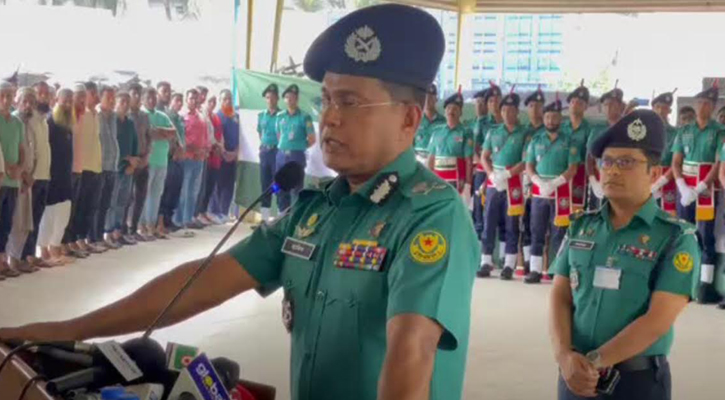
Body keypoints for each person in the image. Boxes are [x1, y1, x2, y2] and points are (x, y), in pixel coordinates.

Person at [0, 5, 479, 400]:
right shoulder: (316, 212)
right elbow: (199, 282)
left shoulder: (431, 217)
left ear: (409, 119)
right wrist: (68, 332)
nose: (328, 118)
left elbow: (411, 358)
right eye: (326, 100)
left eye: (350, 103)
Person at [549, 109, 698, 400]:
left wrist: (592, 364)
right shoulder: (581, 226)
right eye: (607, 162)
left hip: (636, 382)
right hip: (573, 376)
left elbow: (657, 320)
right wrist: (564, 355)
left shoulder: (675, 238)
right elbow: (560, 295)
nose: (613, 170)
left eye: (627, 162)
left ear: (654, 173)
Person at [671, 84, 723, 305]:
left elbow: (718, 164)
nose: (704, 107)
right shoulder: (684, 131)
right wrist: (682, 186)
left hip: (707, 191)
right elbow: (675, 162)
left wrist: (701, 187)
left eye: (709, 104)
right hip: (685, 190)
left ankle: (704, 287)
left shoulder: (720, 132)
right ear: (695, 105)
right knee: (685, 235)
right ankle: (684, 284)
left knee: (705, 237)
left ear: (713, 107)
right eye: (701, 102)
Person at [524, 98, 577, 284]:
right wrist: (537, 181)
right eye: (547, 117)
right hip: (539, 192)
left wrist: (555, 183)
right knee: (536, 230)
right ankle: (535, 270)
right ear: (543, 118)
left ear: (560, 119)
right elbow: (529, 165)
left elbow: (573, 169)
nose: (550, 121)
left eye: (554, 117)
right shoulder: (535, 140)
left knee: (558, 233)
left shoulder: (569, 141)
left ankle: (555, 270)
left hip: (560, 193)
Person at [478, 90, 527, 280]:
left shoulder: (524, 134)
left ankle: (508, 264)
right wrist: (491, 173)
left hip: (513, 182)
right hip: (493, 180)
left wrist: (507, 174)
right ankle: (486, 261)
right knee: (488, 220)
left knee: (511, 223)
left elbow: (526, 161)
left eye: (511, 109)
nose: (507, 113)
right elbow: (484, 156)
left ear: (517, 111)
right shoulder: (493, 132)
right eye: (504, 109)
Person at [37, 88, 75, 266]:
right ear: (57, 100)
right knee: (49, 213)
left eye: (70, 101)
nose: (67, 104)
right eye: (64, 101)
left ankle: (55, 246)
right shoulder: (50, 122)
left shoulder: (67, 124)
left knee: (64, 209)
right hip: (51, 175)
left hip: (66, 175)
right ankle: (44, 249)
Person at [6, 88, 41, 274]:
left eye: (31, 102)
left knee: (24, 222)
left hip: (26, 181)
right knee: (13, 222)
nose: (28, 105)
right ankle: (10, 260)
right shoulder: (12, 121)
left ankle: (16, 259)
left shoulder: (29, 124)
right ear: (17, 101)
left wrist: (30, 175)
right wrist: (21, 174)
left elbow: (33, 155)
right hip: (12, 180)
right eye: (24, 101)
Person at [71, 81, 105, 254]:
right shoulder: (79, 114)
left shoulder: (95, 114)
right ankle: (74, 240)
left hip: (96, 168)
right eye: (92, 93)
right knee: (79, 207)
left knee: (90, 207)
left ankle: (83, 238)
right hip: (82, 168)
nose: (96, 96)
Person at [139, 88, 177, 240]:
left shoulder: (161, 115)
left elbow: (173, 132)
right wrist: (162, 133)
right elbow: (150, 133)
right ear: (143, 99)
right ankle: (140, 226)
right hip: (148, 161)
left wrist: (160, 130)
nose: (151, 100)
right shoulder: (142, 115)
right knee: (143, 195)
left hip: (162, 160)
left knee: (156, 194)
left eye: (154, 98)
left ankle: (151, 225)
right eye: (148, 98)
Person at [105, 92, 139, 247]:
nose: (125, 104)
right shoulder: (112, 121)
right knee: (111, 202)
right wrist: (124, 159)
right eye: (122, 101)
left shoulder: (130, 123)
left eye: (127, 102)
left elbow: (134, 145)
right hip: (115, 167)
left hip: (128, 169)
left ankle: (118, 230)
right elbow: (110, 145)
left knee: (122, 201)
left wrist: (132, 163)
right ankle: (108, 231)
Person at [275, 84, 316, 212]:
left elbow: (312, 139)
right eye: (287, 97)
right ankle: (281, 215)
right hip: (281, 155)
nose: (289, 99)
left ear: (297, 98)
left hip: (297, 155)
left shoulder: (305, 116)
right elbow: (279, 135)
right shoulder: (280, 116)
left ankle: (294, 215)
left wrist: (298, 147)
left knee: (296, 188)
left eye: (292, 97)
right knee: (279, 185)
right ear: (284, 100)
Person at [0, 81, 26, 277]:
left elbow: (21, 149)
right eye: (3, 95)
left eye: (9, 95)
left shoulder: (17, 123)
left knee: (6, 222)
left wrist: (18, 168)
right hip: (1, 178)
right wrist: (6, 168)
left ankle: (3, 259)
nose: (6, 99)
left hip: (13, 181)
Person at [426, 92, 473, 199]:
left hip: (457, 182)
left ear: (460, 112)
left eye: (455, 109)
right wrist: (428, 180)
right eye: (448, 108)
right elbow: (431, 159)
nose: (451, 111)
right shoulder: (436, 132)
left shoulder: (465, 132)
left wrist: (468, 185)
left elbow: (468, 161)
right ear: (444, 112)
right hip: (438, 182)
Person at [61, 84, 90, 259]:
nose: (80, 100)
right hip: (68, 171)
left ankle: (70, 241)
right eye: (77, 97)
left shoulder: (84, 117)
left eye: (82, 97)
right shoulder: (67, 118)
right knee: (66, 210)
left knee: (75, 209)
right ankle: (63, 243)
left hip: (80, 169)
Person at [586, 84, 625, 211]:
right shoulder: (597, 130)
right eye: (606, 105)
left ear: (621, 106)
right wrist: (593, 181)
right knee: (597, 218)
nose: (609, 108)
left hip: (622, 179)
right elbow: (589, 158)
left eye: (613, 105)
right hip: (600, 179)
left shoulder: (630, 129)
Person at [90, 85, 119, 250]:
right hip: (99, 166)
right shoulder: (96, 115)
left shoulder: (113, 116)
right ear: (100, 98)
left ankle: (100, 236)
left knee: (106, 205)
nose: (112, 101)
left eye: (113, 97)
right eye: (108, 97)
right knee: (96, 205)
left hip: (112, 166)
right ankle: (92, 238)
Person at [521, 86, 546, 274]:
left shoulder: (550, 130)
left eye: (539, 106)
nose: (535, 109)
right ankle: (527, 263)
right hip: (523, 182)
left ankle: (543, 267)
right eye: (531, 106)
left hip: (543, 184)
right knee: (524, 222)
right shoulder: (523, 131)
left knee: (541, 225)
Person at [174, 88, 208, 230]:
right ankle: (179, 220)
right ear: (187, 100)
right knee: (184, 189)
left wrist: (205, 151)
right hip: (187, 157)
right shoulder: (182, 116)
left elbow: (205, 137)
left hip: (199, 159)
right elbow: (180, 137)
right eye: (191, 98)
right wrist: (192, 149)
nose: (193, 101)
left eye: (196, 98)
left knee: (194, 190)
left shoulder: (201, 116)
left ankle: (189, 218)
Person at [159, 92, 190, 237]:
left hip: (180, 158)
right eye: (177, 100)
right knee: (168, 189)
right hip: (171, 157)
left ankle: (169, 219)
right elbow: (170, 138)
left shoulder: (179, 118)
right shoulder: (167, 116)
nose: (179, 103)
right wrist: (175, 151)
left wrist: (182, 149)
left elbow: (182, 137)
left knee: (176, 190)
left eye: (180, 101)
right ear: (171, 101)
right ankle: (162, 220)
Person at [562, 81, 593, 214]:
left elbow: (591, 155)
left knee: (576, 212)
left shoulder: (589, 129)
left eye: (580, 103)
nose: (575, 105)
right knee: (559, 208)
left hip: (579, 175)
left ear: (586, 107)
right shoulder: (560, 128)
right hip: (560, 172)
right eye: (573, 101)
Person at [126, 83, 152, 243]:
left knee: (141, 195)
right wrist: (131, 159)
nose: (136, 97)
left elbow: (149, 137)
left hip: (144, 159)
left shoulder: (144, 116)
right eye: (134, 94)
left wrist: (147, 155)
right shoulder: (124, 115)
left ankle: (133, 228)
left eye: (138, 94)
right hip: (130, 160)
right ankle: (122, 229)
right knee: (127, 197)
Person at [210, 89, 239, 222]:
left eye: (230, 99)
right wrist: (224, 152)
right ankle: (216, 213)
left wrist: (235, 153)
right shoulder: (216, 116)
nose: (227, 101)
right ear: (220, 101)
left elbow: (241, 138)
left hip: (233, 157)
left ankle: (225, 212)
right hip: (220, 156)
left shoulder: (236, 117)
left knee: (229, 186)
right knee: (218, 185)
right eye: (224, 99)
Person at [649, 91, 678, 216]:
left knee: (668, 215)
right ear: (652, 109)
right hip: (647, 176)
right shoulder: (643, 131)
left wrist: (661, 182)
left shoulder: (676, 133)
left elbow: (677, 162)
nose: (661, 110)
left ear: (670, 111)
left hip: (668, 178)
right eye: (658, 107)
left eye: (665, 107)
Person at [195, 95, 223, 225]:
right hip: (205, 153)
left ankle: (203, 211)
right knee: (201, 187)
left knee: (209, 185)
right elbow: (207, 135)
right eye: (209, 101)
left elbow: (218, 134)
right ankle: (198, 212)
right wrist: (214, 145)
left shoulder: (216, 117)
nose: (212, 104)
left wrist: (220, 146)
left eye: (214, 101)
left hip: (214, 153)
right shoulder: (203, 116)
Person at [257, 84, 280, 222]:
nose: (270, 100)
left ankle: (278, 218)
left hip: (277, 153)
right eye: (267, 98)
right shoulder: (262, 116)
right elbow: (260, 132)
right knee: (264, 184)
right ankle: (264, 219)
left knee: (277, 185)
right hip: (265, 152)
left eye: (272, 97)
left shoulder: (282, 115)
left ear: (277, 98)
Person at [471, 88, 489, 239]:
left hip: (484, 169)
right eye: (477, 103)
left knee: (482, 202)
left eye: (482, 103)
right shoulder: (473, 123)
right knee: (474, 203)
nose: (479, 106)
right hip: (472, 169)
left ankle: (481, 236)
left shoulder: (489, 124)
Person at [413, 84, 445, 164]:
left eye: (431, 97)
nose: (427, 100)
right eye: (426, 97)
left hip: (436, 159)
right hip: (417, 159)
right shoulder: (416, 118)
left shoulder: (443, 121)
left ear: (436, 99)